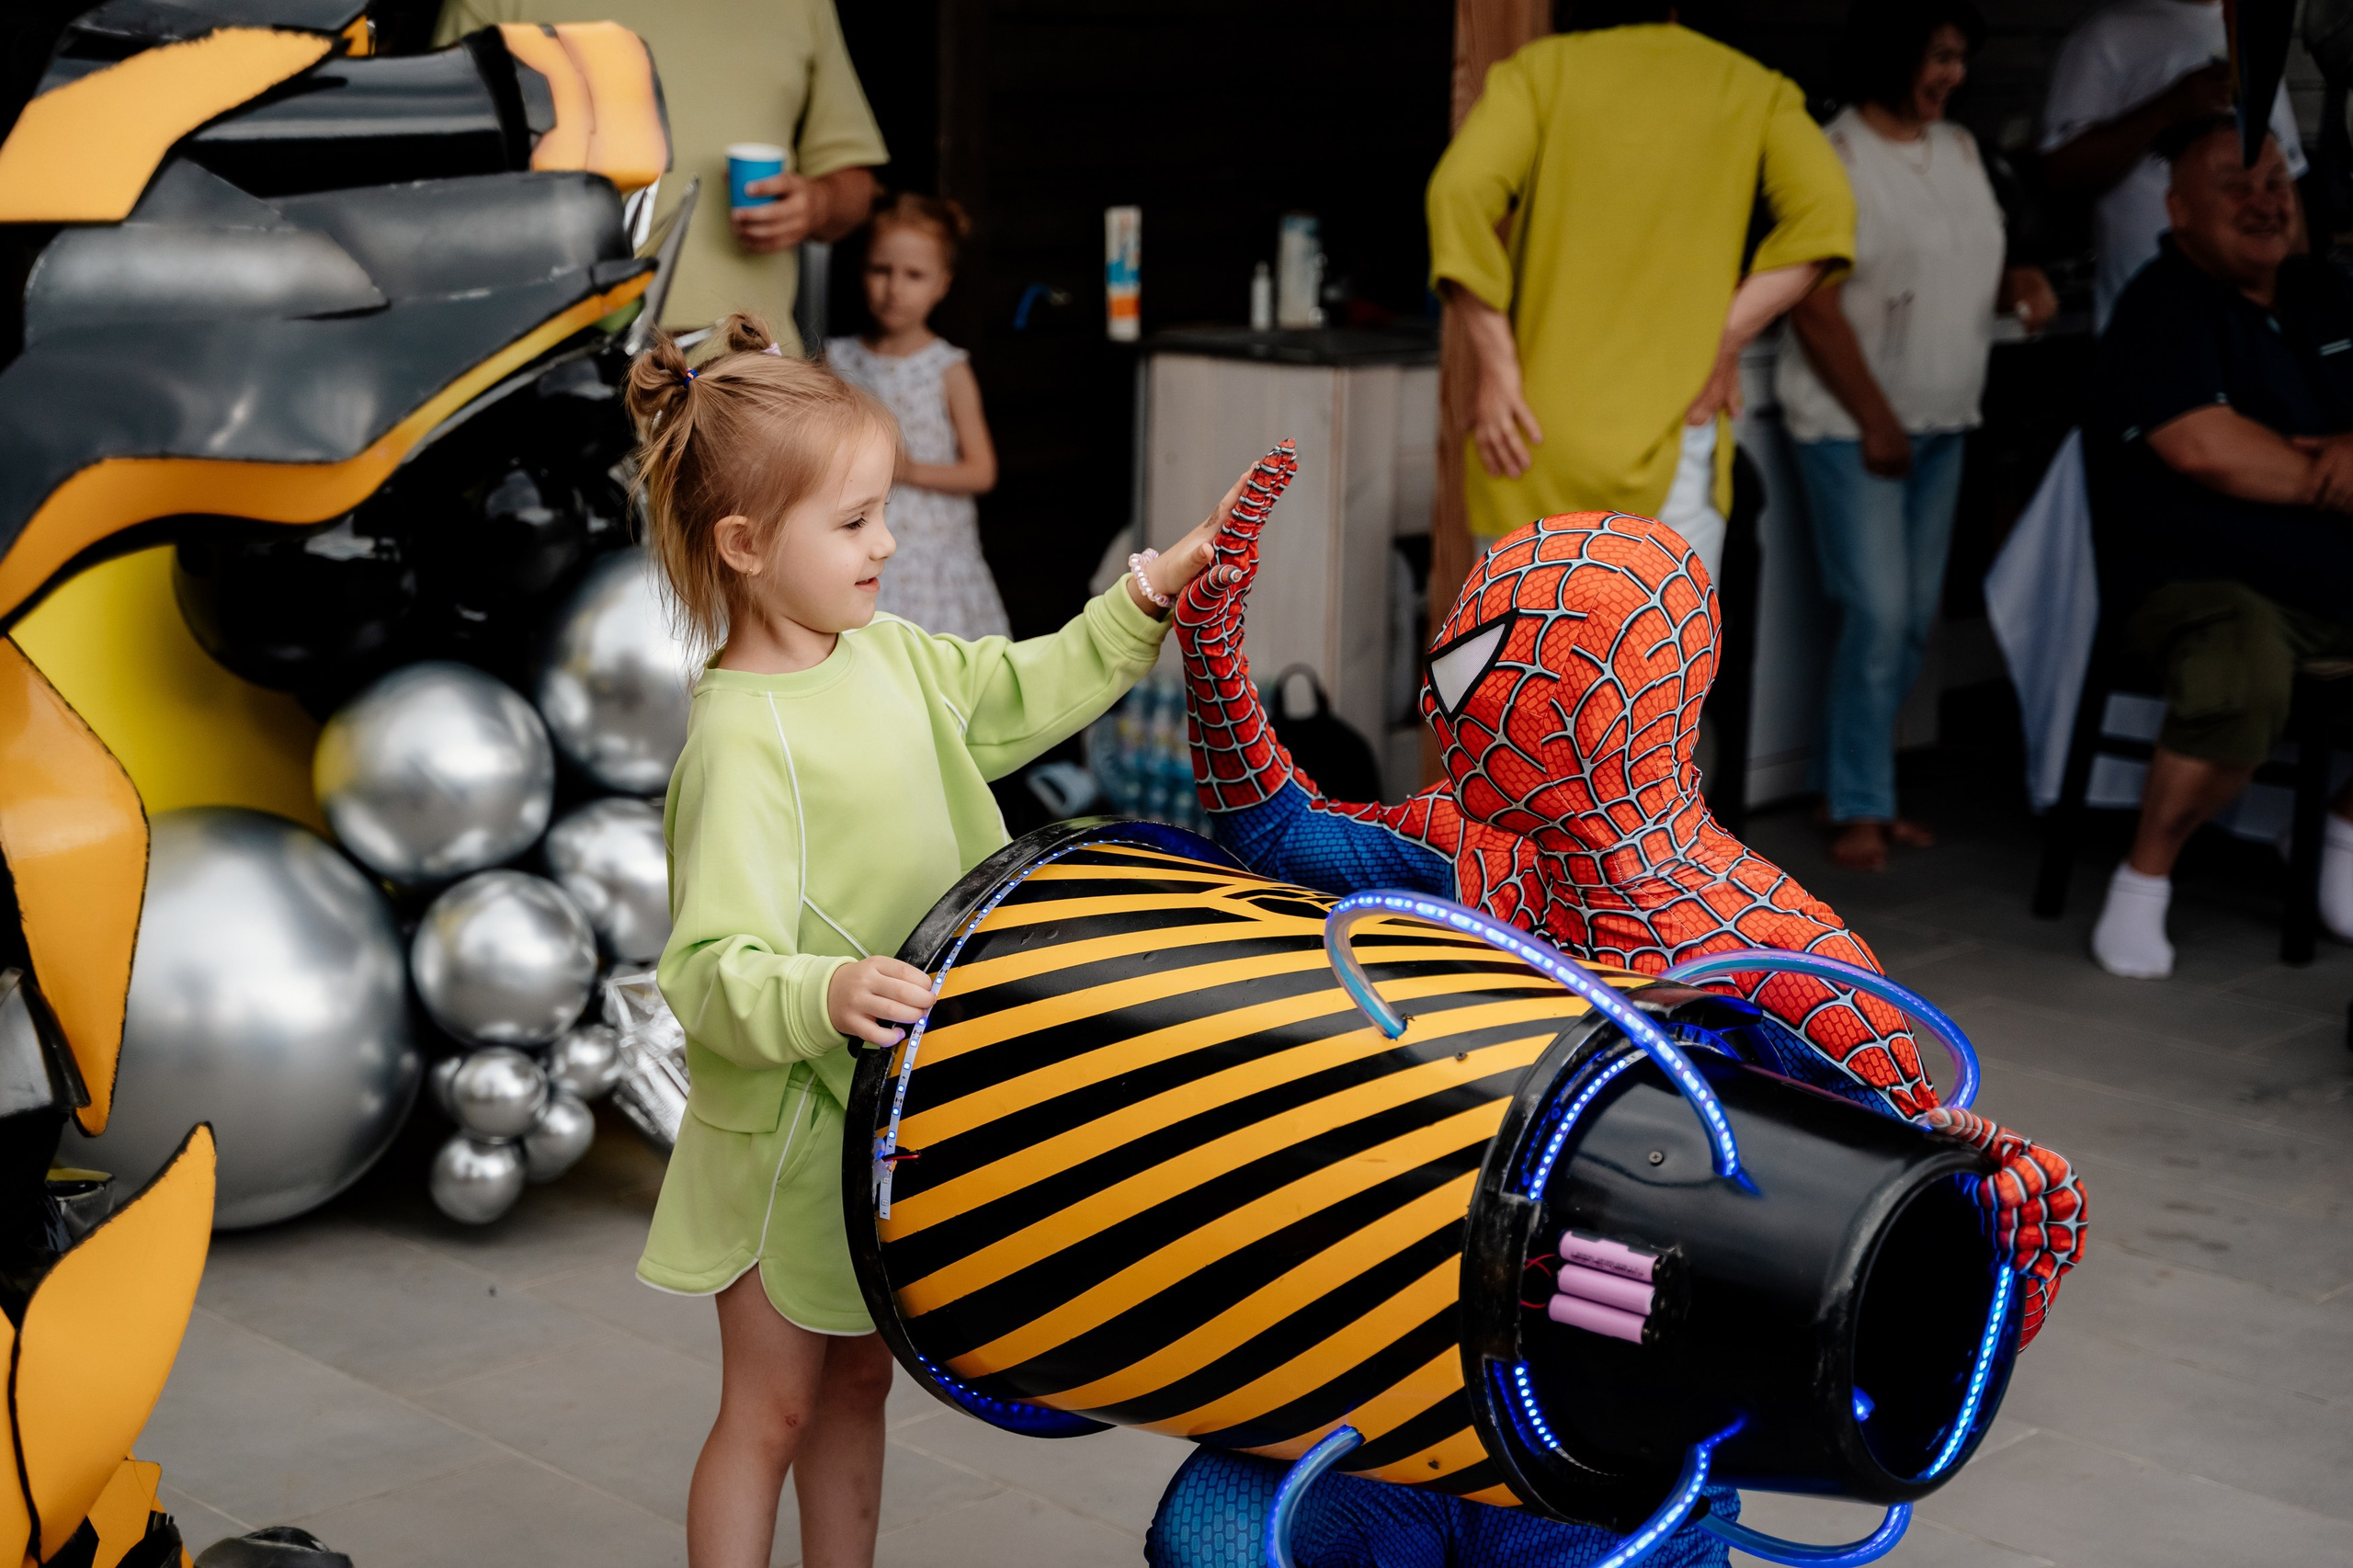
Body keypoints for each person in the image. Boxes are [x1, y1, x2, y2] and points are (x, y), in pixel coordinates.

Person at [1151, 451, 2084, 1568]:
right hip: (1397, 1386)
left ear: (1594, 695)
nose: (1437, 697)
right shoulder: (1467, 852)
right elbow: (1279, 834)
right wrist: (1209, 643)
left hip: (1618, 1454)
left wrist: (2006, 1241)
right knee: (1216, 1539)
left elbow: (1897, 1266)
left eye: (1479, 663)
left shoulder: (1783, 964)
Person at [621, 313, 1242, 1567]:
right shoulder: (742, 739)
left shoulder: (892, 656)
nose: (887, 543)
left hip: (893, 1126)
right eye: (851, 522)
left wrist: (1148, 591)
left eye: (882, 510)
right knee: (771, 1408)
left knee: (859, 1391)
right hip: (791, 1145)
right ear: (744, 545)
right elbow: (704, 971)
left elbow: (1030, 689)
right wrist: (826, 986)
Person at [1424, 0, 1855, 578]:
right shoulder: (1750, 87)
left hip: (1533, 434)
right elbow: (1827, 214)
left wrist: (1497, 363)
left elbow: (1457, 193)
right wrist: (1726, 336)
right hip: (1675, 440)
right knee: (1659, 664)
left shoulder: (1541, 72)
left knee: (1524, 665)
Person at [1777, 0, 2057, 870]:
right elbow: (1814, 305)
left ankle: (1848, 787)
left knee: (1906, 626)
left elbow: (1969, 243)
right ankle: (1860, 798)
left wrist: (2022, 279)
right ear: (1895, 57)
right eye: (1940, 56)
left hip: (1945, 419)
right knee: (1879, 612)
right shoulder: (1836, 154)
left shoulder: (1963, 148)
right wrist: (1877, 420)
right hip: (1851, 426)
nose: (1956, 75)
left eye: (1962, 57)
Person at [2086, 119, 2353, 980]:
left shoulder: (2324, 293)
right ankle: (2142, 880)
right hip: (2199, 578)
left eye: (2275, 182)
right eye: (2235, 186)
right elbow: (2207, 450)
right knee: (2239, 669)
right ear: (2179, 211)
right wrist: (2331, 464)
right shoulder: (2162, 304)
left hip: (2330, 573)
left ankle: (2341, 833)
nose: (2264, 201)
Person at [437, 0, 886, 346]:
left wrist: (816, 204)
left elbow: (855, 186)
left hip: (745, 387)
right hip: (545, 373)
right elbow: (424, 178)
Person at [2041, 0, 2306, 329]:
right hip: (2148, 323)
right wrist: (2167, 109)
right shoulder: (2108, 34)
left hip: (2255, 329)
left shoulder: (2254, 32)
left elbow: (2286, 178)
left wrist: (2299, 307)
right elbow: (2060, 172)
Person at [825, 194, 1008, 639]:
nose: (894, 288)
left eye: (914, 275)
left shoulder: (946, 368)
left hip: (934, 551)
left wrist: (906, 470)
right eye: (880, 270)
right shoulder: (837, 360)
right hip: (863, 541)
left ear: (942, 284)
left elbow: (981, 472)